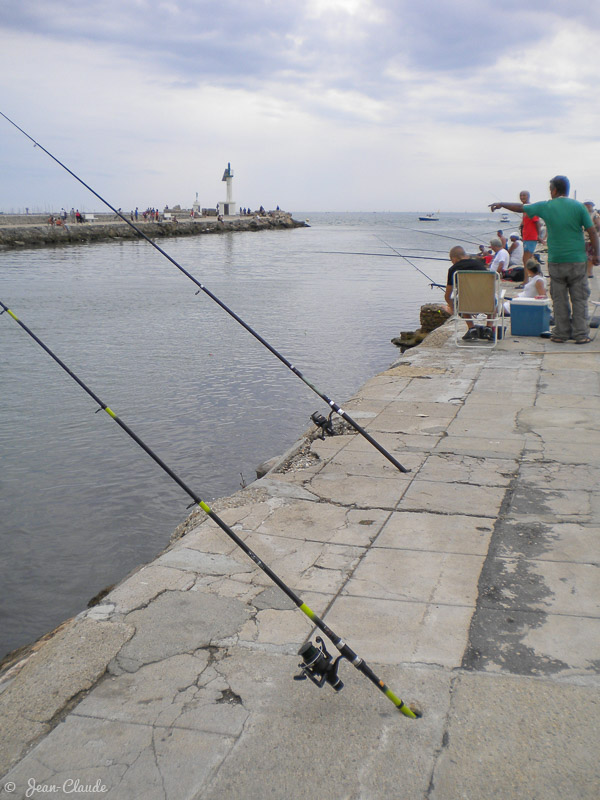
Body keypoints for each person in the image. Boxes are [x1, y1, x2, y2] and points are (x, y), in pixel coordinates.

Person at [491, 175, 600, 343]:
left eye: (550, 189)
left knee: (559, 298)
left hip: (556, 260)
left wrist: (501, 204)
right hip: (577, 260)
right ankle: (580, 335)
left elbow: (521, 207)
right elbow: (592, 232)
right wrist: (597, 254)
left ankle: (561, 333)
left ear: (554, 190)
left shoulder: (547, 206)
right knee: (579, 298)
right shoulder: (579, 207)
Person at [445, 245, 491, 340]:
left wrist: (452, 307)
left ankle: (471, 328)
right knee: (493, 299)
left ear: (454, 258)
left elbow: (447, 295)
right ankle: (489, 328)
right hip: (487, 302)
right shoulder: (480, 265)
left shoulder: (453, 269)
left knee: (462, 298)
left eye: (451, 260)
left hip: (466, 304)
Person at [519, 190, 545, 267]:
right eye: (521, 195)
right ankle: (530, 276)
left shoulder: (531, 208)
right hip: (526, 237)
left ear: (528, 196)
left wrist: (539, 236)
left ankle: (526, 278)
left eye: (524, 195)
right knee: (527, 259)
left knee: (526, 260)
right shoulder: (525, 209)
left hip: (531, 237)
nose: (522, 197)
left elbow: (538, 223)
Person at [583, 201, 600, 278]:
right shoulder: (585, 214)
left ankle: (589, 272)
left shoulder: (595, 215)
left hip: (591, 238)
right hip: (585, 237)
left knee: (590, 256)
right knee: (586, 255)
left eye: (588, 205)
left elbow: (599, 225)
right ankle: (587, 272)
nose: (587, 206)